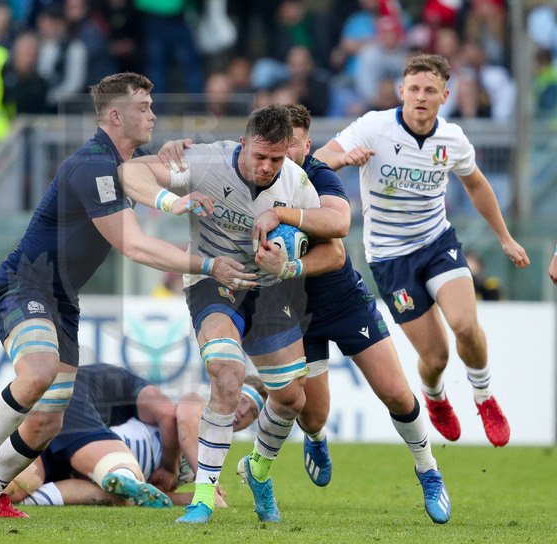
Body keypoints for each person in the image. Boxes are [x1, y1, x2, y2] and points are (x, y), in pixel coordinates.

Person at [0, 72, 255, 519]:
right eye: (142, 108)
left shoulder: (126, 165)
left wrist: (178, 161)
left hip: (64, 300)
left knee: (47, 420)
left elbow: (172, 180)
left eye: (152, 107)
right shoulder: (92, 165)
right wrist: (208, 264)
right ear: (115, 116)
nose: (152, 115)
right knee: (38, 370)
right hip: (25, 284)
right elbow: (133, 245)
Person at [119, 104, 343, 524]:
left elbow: (336, 246)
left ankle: (258, 471)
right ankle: (204, 497)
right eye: (260, 156)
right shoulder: (206, 160)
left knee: (294, 397)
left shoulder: (296, 184)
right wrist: (173, 200)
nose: (267, 167)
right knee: (226, 371)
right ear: (243, 144)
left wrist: (290, 265)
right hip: (213, 280)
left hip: (268, 287)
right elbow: (131, 172)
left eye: (276, 159)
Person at [313, 54, 530, 448]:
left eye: (430, 90)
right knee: (436, 358)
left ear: (444, 96)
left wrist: (505, 237)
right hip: (390, 259)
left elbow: (477, 184)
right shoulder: (375, 127)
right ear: (402, 91)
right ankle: (435, 398)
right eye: (413, 89)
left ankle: (484, 396)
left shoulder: (453, 140)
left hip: (436, 243)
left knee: (465, 324)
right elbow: (318, 158)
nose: (421, 97)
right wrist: (343, 158)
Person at [253, 103, 450, 524]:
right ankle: (317, 439)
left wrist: (285, 235)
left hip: (343, 300)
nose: (289, 155)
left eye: (298, 146)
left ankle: (429, 472)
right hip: (294, 312)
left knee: (395, 392)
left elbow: (338, 240)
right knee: (313, 414)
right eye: (282, 147)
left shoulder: (319, 176)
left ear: (308, 144)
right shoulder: (257, 179)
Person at [3, 363, 267, 508]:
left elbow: (155, 490)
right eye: (243, 400)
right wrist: (203, 479)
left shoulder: (214, 452)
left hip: (85, 471)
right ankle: (121, 475)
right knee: (121, 480)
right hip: (96, 451)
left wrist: (192, 497)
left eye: (253, 413)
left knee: (14, 490)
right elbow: (183, 420)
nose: (243, 412)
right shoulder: (196, 404)